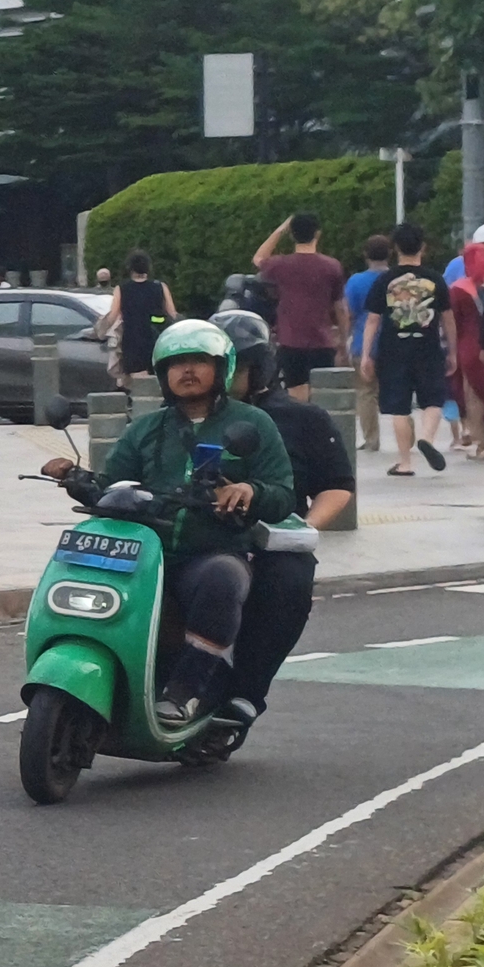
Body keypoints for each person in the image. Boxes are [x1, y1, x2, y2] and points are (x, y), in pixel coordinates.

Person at [43, 320, 295, 727]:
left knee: (222, 578)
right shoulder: (144, 429)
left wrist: (250, 490)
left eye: (198, 361)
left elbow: (283, 493)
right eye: (176, 364)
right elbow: (111, 487)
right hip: (144, 551)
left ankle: (187, 691)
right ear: (163, 374)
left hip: (209, 550)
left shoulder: (254, 424)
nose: (187, 371)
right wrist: (73, 477)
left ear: (221, 367)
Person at [210, 307, 352, 731]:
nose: (216, 377)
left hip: (269, 539)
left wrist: (304, 528)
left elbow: (337, 484)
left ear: (258, 368)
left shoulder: (304, 419)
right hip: (197, 531)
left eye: (228, 367)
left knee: (289, 581)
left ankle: (245, 693)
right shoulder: (182, 418)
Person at [358, 221, 456, 473]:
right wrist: (452, 351)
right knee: (433, 399)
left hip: (393, 349)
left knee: (398, 406)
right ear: (423, 246)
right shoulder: (435, 279)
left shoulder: (385, 280)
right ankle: (427, 439)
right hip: (429, 346)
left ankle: (405, 462)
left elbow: (373, 319)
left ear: (395, 248)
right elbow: (447, 317)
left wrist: (366, 354)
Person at [250, 213, 347, 399]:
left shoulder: (281, 265)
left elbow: (258, 258)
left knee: (296, 394)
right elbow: (340, 307)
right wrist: (342, 341)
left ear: (292, 235)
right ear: (317, 234)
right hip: (322, 341)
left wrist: (280, 230)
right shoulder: (332, 266)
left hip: (290, 340)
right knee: (323, 396)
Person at [92, 250, 177, 383]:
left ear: (130, 268)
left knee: (138, 385)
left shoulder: (122, 288)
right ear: (148, 268)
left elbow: (113, 315)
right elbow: (173, 314)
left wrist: (100, 331)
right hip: (157, 341)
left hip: (132, 343)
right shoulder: (160, 286)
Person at [343, 235, 389, 450]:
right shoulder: (396, 278)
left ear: (365, 255)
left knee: (365, 392)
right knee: (399, 390)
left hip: (364, 342)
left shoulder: (356, 281)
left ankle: (372, 439)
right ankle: (407, 436)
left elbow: (349, 313)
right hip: (393, 342)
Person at [449, 246, 484, 458]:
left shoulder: (458, 288)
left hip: (468, 346)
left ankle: (482, 444)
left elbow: (453, 323)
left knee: (473, 396)